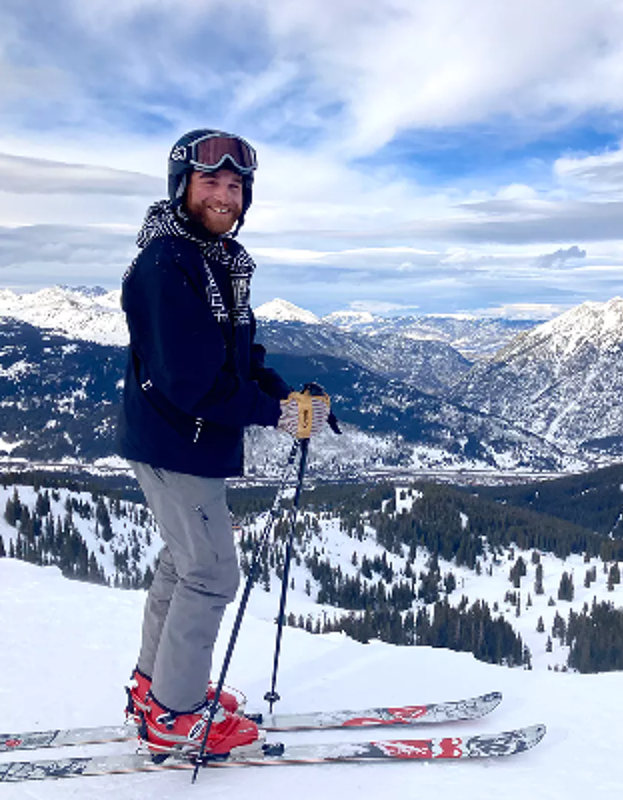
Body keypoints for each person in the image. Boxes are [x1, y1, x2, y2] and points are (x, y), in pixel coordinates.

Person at [116, 129, 331, 757]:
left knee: (183, 563)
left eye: (236, 185)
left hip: (177, 440)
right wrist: (274, 413)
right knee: (210, 574)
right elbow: (191, 383)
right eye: (211, 181)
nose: (225, 195)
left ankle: (156, 688)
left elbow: (237, 356)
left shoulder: (213, 261)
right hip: (178, 442)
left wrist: (283, 395)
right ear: (181, 186)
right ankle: (176, 713)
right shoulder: (168, 264)